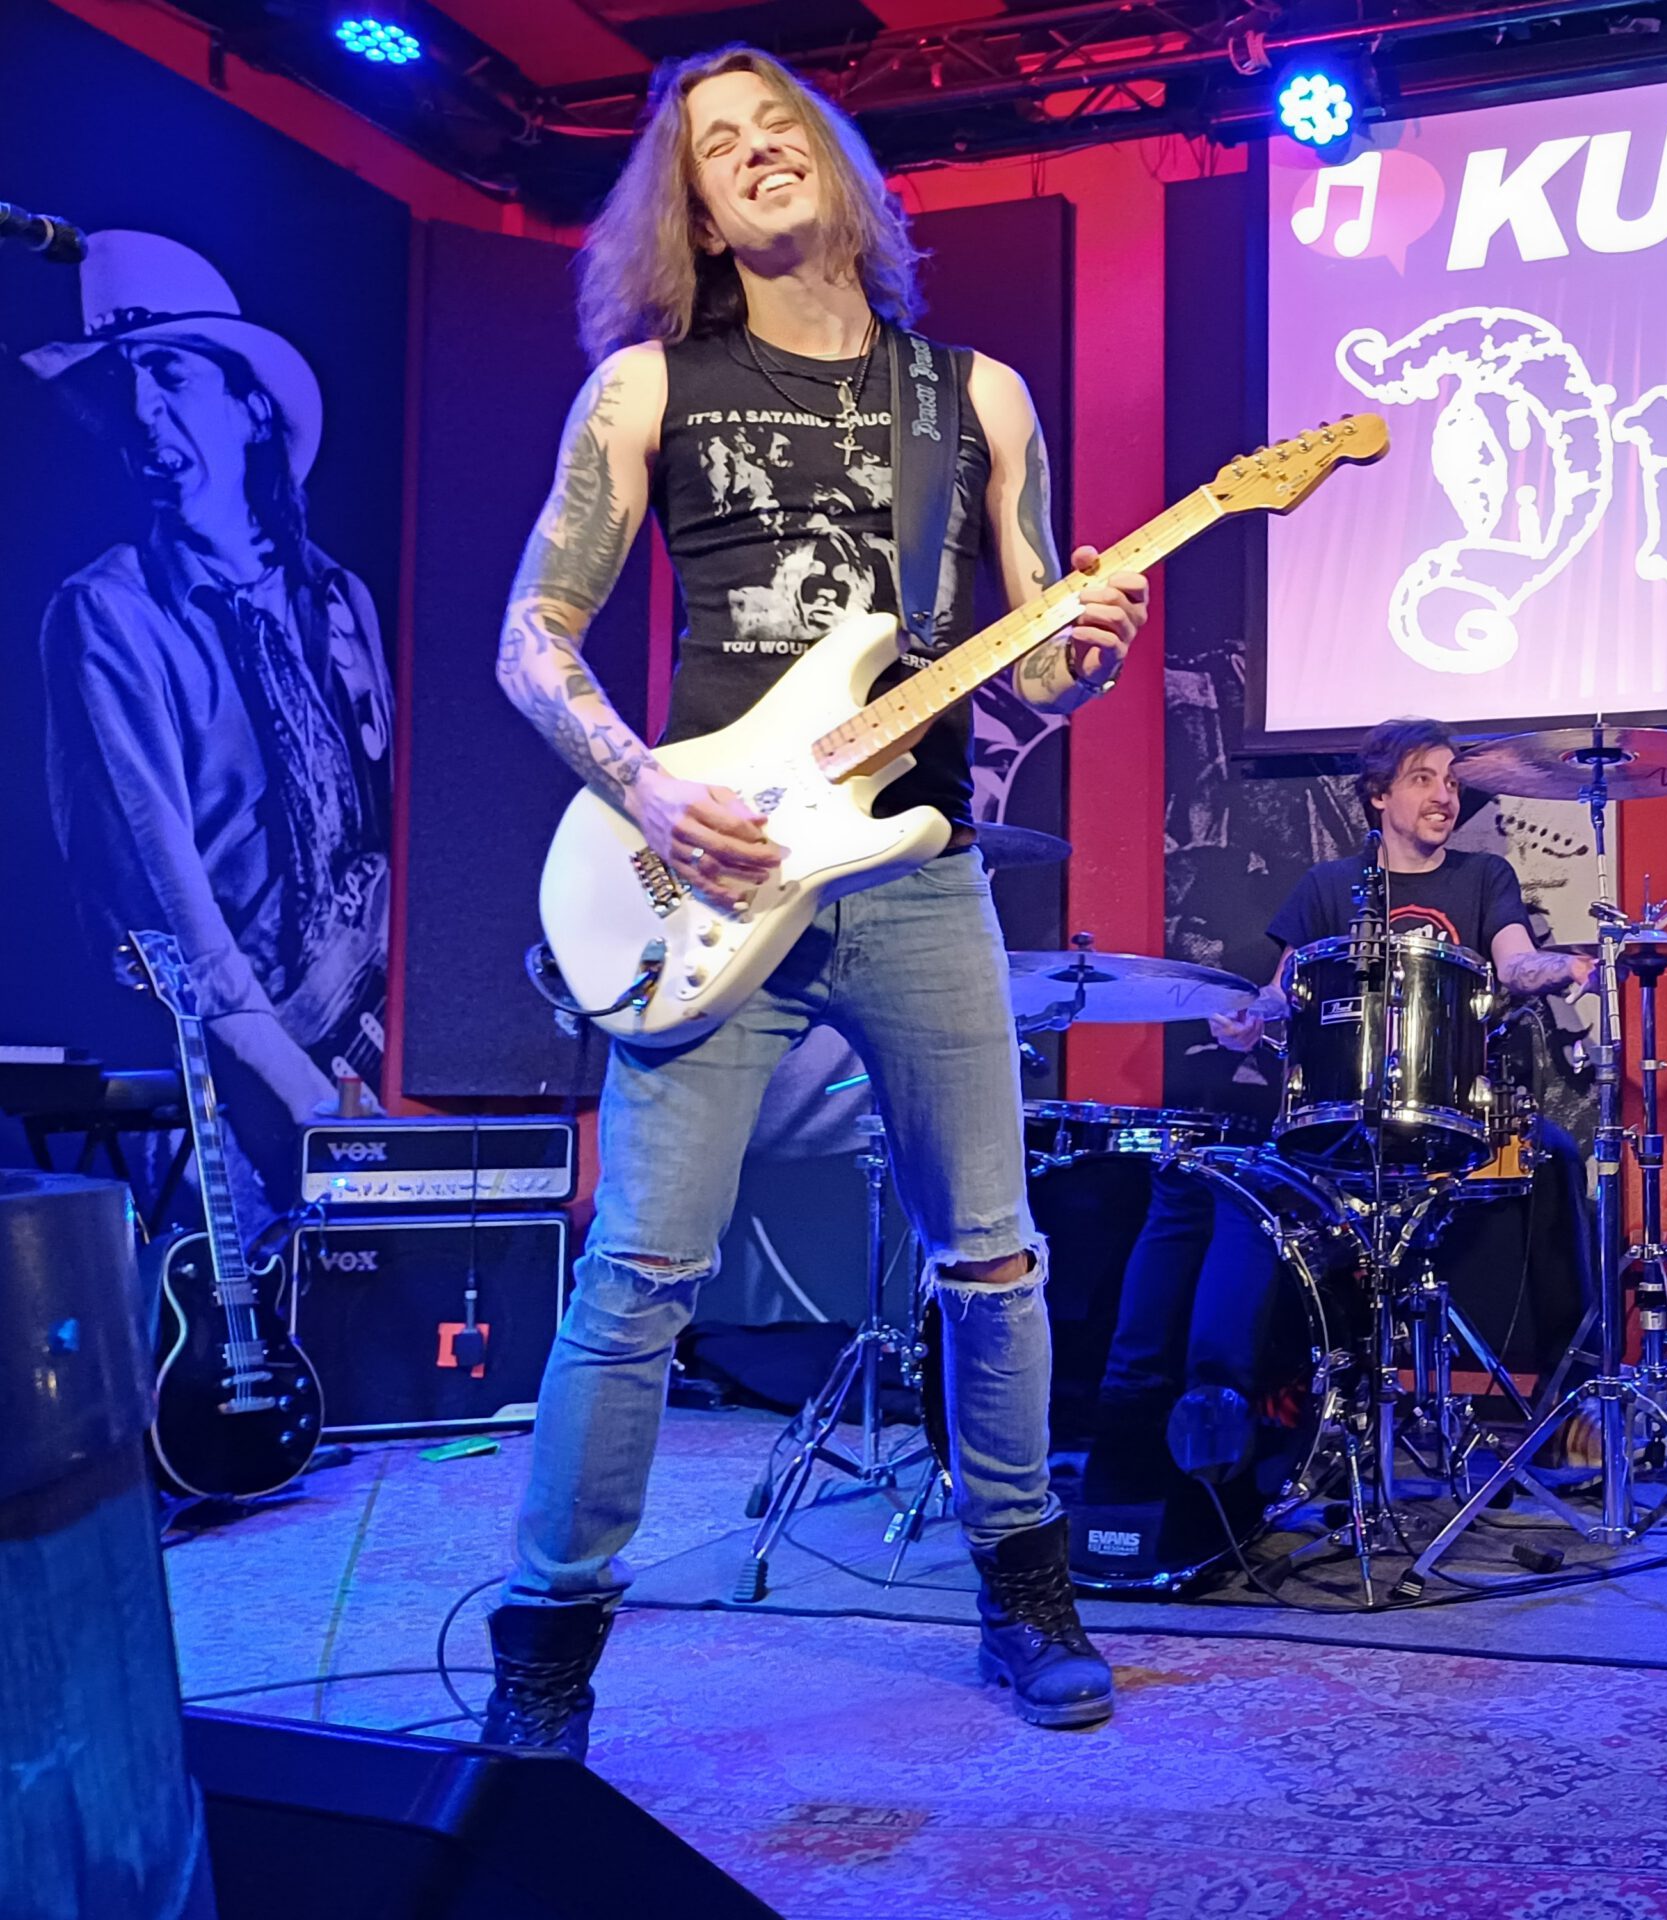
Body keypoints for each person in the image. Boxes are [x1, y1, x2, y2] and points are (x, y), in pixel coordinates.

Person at [479, 45, 1148, 1752]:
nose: (759, 151)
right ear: (695, 212)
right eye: (720, 147)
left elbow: (1035, 665)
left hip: (912, 871)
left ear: (839, 167)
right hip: (707, 873)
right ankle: (547, 1647)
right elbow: (531, 639)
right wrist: (645, 787)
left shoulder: (978, 397)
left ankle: (1024, 1588)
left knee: (991, 1259)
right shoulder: (646, 387)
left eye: (782, 126)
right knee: (639, 1274)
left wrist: (1082, 651)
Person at [29, 232, 394, 1235]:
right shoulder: (108, 613)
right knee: (232, 1313)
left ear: (250, 405)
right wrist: (306, 1101)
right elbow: (165, 902)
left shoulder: (338, 597)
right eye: (119, 388)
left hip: (368, 1056)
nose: (144, 414)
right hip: (229, 1092)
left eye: (170, 374)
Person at [1212, 717, 1598, 1386]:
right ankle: (1274, 1401)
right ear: (1379, 794)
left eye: (1452, 782)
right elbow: (1283, 992)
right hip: (1342, 1111)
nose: (1444, 796)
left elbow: (1515, 964)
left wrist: (1563, 966)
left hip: (1459, 1111)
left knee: (1557, 1157)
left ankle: (1574, 1393)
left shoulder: (1484, 876)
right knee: (1251, 1196)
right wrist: (1248, 1019)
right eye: (1423, 779)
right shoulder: (1329, 885)